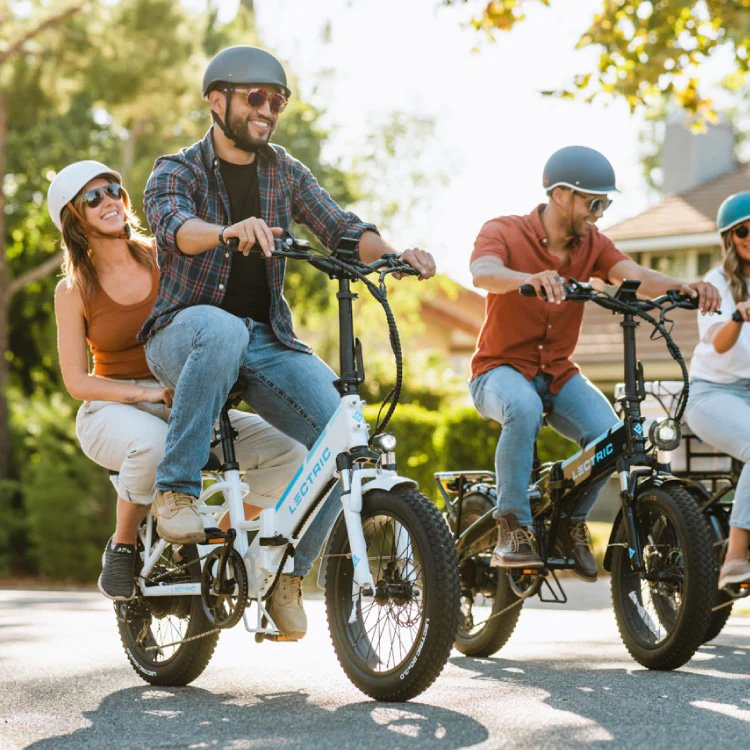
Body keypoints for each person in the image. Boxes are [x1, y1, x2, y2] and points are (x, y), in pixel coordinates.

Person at [140, 46, 436, 639]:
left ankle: (288, 575)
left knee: (349, 443)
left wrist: (396, 253)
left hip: (267, 341)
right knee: (221, 328)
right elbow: (174, 227)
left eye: (276, 101)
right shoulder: (177, 171)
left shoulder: (284, 170)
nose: (268, 109)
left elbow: (342, 228)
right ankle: (175, 494)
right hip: (184, 333)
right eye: (256, 97)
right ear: (216, 100)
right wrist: (226, 231)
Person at [49, 159, 305, 602]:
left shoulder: (161, 256)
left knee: (290, 453)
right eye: (94, 197)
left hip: (182, 400)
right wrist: (147, 392)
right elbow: (78, 382)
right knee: (153, 445)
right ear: (74, 217)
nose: (109, 201)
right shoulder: (72, 290)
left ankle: (217, 548)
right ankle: (123, 544)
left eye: (114, 190)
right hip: (112, 409)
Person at [469, 145, 720, 581]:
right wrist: (526, 279)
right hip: (498, 372)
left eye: (607, 203)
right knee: (523, 407)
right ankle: (512, 525)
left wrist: (685, 286)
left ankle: (569, 523)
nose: (600, 212)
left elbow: (631, 274)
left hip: (559, 374)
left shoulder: (592, 245)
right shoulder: (504, 230)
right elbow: (483, 271)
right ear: (562, 194)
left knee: (613, 436)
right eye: (594, 202)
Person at [684, 192, 750, 589]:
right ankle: (735, 557)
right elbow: (720, 343)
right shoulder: (717, 284)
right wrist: (739, 316)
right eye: (743, 230)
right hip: (713, 394)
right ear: (730, 238)